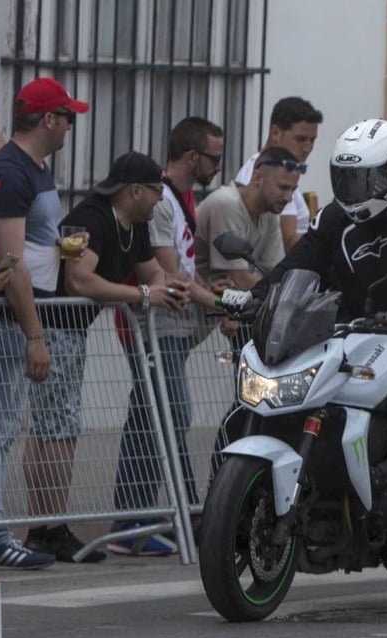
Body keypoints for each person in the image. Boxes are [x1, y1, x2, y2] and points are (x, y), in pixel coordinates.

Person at [220, 119, 387, 554]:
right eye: (347, 178)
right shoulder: (334, 217)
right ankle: (227, 502)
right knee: (262, 398)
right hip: (351, 332)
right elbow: (299, 263)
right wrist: (257, 297)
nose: (355, 189)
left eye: (365, 178)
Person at [22, 153, 192, 558]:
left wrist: (167, 286)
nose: (160, 198)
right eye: (156, 191)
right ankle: (47, 528)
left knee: (57, 428)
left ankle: (48, 526)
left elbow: (151, 270)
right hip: (55, 328)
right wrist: (144, 294)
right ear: (135, 191)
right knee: (56, 430)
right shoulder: (93, 218)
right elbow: (80, 281)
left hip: (71, 331)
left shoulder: (135, 224)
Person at [106, 120, 225, 554]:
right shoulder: (162, 201)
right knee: (168, 413)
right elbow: (169, 273)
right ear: (192, 157)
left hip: (171, 326)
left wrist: (210, 294)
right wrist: (220, 303)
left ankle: (152, 516)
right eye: (214, 157)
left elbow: (185, 270)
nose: (219, 166)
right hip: (152, 325)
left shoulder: (181, 197)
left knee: (156, 414)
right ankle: (135, 519)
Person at [0, 77, 89, 569]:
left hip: (22, 314)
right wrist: (35, 335)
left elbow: (27, 248)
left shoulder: (29, 168)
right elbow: (11, 263)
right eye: (68, 117)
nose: (71, 125)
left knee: (5, 426)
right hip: (9, 319)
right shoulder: (11, 172)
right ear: (49, 120)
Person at [195, 145, 300, 288]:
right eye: (283, 188)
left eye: (293, 190)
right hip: (192, 297)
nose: (289, 198)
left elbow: (273, 272)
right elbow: (240, 280)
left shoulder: (269, 213)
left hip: (222, 298)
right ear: (257, 178)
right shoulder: (227, 204)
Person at [234, 96, 322, 251]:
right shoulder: (266, 173)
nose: (307, 148)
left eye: (312, 140)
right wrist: (326, 228)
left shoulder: (282, 173)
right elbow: (288, 242)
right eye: (300, 139)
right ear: (275, 133)